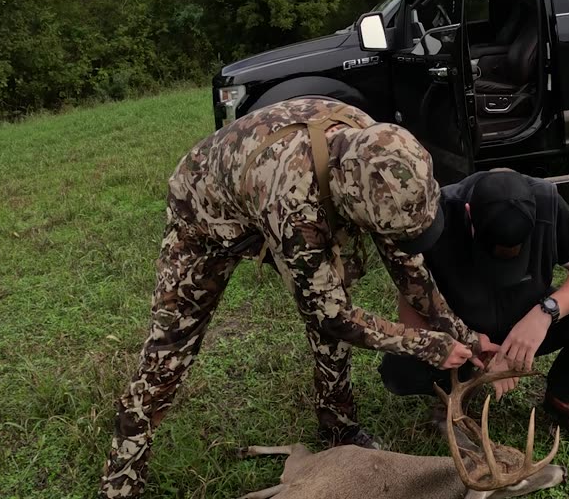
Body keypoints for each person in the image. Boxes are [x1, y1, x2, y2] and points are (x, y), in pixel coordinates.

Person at [98, 97, 496, 498]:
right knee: (169, 351)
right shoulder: (296, 204)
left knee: (330, 314)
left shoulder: (380, 150)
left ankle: (338, 427)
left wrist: (463, 334)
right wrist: (426, 344)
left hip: (273, 194)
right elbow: (333, 316)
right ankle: (121, 478)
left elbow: (407, 265)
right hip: (204, 213)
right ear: (352, 202)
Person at [378, 168, 569, 449]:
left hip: (526, 327)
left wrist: (545, 313)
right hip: (464, 334)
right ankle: (452, 402)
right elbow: (410, 310)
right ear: (469, 213)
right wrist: (466, 346)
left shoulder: (547, 203)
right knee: (402, 368)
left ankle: (562, 401)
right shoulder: (437, 218)